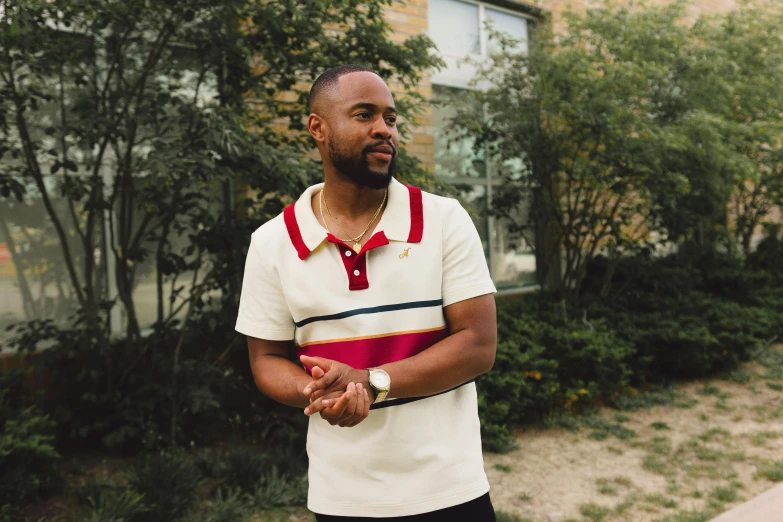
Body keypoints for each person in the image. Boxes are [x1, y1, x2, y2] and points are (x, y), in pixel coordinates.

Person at [235, 64, 498, 521]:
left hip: (450, 489)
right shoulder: (272, 242)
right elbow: (265, 360)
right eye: (364, 114)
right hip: (343, 498)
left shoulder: (443, 220)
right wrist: (316, 392)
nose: (385, 130)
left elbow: (478, 345)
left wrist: (373, 381)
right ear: (318, 128)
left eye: (391, 119)